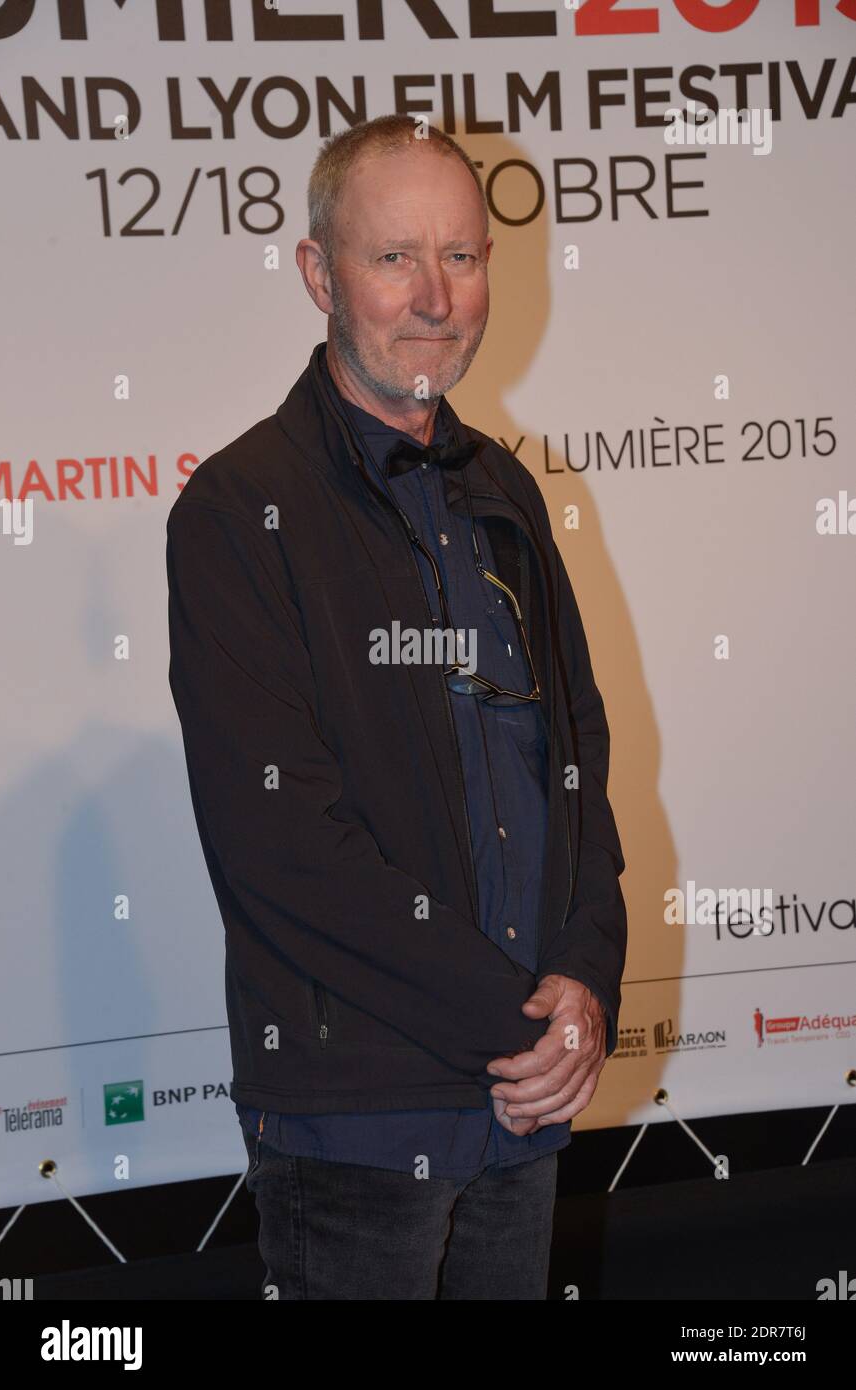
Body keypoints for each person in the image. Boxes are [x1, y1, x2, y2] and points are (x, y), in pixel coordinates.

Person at [166, 114, 627, 1301]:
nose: (436, 298)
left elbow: (574, 754)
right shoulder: (237, 511)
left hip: (517, 1104)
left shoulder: (505, 487)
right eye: (394, 259)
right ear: (319, 272)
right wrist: (515, 1018)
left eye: (463, 257)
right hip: (357, 1121)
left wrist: (582, 980)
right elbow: (281, 847)